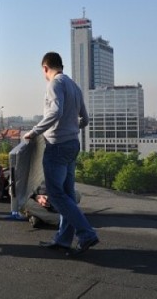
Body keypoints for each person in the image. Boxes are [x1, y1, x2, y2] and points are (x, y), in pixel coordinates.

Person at [24, 51, 99, 257]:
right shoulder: (74, 86)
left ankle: (86, 233)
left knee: (56, 195)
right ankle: (64, 240)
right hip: (73, 144)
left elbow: (55, 112)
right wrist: (72, 126)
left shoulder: (54, 84)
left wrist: (35, 131)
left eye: (43, 72)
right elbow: (85, 119)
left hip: (57, 145)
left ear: (45, 68)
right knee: (68, 195)